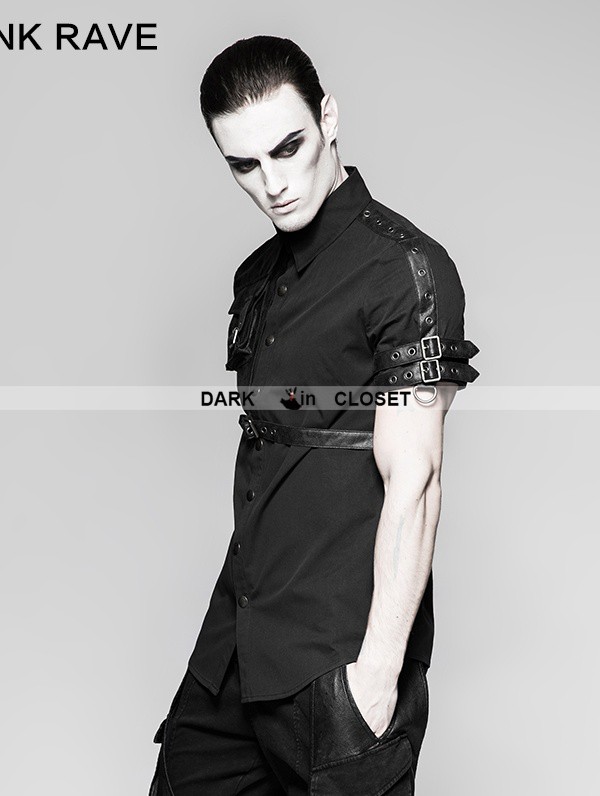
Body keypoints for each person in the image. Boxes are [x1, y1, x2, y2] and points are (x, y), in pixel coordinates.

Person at [148, 35, 480, 795]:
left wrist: (376, 682)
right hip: (236, 646)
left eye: (287, 148)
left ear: (328, 117)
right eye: (243, 165)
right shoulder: (256, 277)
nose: (272, 183)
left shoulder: (404, 271)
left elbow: (416, 481)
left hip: (340, 662)